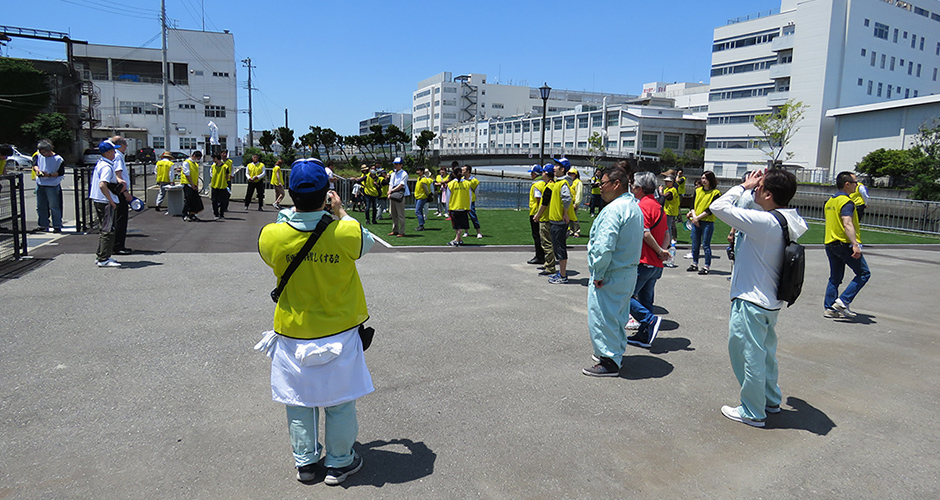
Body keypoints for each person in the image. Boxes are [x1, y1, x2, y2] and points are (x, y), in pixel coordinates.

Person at [257, 158, 374, 485]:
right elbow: (368, 243)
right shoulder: (345, 231)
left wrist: (287, 215)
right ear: (328, 193)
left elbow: (271, 251)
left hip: (293, 333)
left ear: (291, 192)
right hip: (340, 330)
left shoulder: (273, 235)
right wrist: (340, 211)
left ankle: (306, 463)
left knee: (298, 403)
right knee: (339, 402)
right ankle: (339, 463)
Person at [710, 168, 807, 427]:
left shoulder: (764, 223)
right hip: (770, 300)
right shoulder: (787, 219)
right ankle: (770, 399)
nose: (754, 189)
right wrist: (754, 189)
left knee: (746, 354)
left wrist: (743, 186)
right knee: (765, 354)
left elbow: (718, 206)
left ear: (767, 193)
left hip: (751, 299)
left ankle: (752, 411)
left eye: (759, 187)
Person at [583, 163, 644, 377]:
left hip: (611, 272)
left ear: (616, 183)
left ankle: (609, 360)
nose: (600, 186)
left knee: (603, 316)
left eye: (603, 183)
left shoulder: (614, 210)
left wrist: (598, 273)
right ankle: (614, 353)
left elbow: (604, 246)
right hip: (627, 270)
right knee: (618, 315)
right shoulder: (633, 206)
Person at [626, 172, 671, 349]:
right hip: (656, 263)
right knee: (646, 299)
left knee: (625, 296)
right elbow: (666, 233)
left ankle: (649, 321)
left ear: (639, 188)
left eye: (634, 185)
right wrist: (663, 251)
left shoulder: (642, 206)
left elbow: (645, 233)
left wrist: (659, 250)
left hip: (644, 260)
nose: (631, 187)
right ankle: (644, 334)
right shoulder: (658, 206)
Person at [824, 171, 871, 319]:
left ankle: (830, 307)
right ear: (847, 184)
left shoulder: (831, 200)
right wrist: (855, 244)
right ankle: (843, 301)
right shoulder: (847, 202)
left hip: (830, 242)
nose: (857, 185)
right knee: (863, 273)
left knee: (835, 278)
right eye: (855, 182)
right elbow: (847, 223)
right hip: (843, 244)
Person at [89, 141, 121, 267]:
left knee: (104, 228)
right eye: (113, 151)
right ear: (108, 152)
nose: (115, 153)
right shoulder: (107, 167)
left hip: (99, 199)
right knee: (108, 230)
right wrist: (111, 201)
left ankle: (102, 255)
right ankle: (103, 258)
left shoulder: (101, 163)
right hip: (105, 201)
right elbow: (103, 184)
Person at [546, 158, 575, 284]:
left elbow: (567, 198)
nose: (554, 167)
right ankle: (561, 274)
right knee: (558, 248)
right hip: (555, 221)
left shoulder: (563, 183)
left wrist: (565, 213)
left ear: (562, 169)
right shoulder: (558, 183)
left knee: (560, 249)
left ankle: (563, 276)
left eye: (557, 165)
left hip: (559, 222)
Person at [687, 171, 721, 275]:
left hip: (707, 221)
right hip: (696, 219)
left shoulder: (716, 193)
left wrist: (698, 218)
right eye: (702, 178)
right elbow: (692, 205)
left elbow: (711, 209)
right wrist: (695, 217)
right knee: (695, 243)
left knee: (706, 244)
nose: (703, 180)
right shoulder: (697, 191)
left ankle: (706, 266)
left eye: (706, 178)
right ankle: (695, 263)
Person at [32, 139, 64, 233]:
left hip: (53, 184)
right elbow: (35, 164)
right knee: (40, 206)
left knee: (54, 205)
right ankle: (43, 224)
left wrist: (48, 175)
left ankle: (57, 225)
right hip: (40, 183)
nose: (43, 154)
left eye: (44, 152)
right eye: (41, 152)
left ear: (50, 149)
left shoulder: (58, 159)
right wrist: (37, 170)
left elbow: (61, 173)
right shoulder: (38, 156)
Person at [532, 164, 557, 277]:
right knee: (548, 243)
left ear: (546, 174)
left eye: (542, 172)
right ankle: (548, 264)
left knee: (546, 244)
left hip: (546, 219)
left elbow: (544, 203)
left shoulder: (549, 187)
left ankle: (550, 267)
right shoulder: (554, 185)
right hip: (550, 218)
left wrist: (537, 215)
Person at [110, 136, 133, 255]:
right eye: (126, 145)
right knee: (120, 219)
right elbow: (118, 175)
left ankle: (116, 245)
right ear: (121, 145)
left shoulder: (114, 155)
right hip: (119, 192)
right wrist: (125, 192)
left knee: (116, 218)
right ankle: (118, 246)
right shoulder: (118, 156)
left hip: (114, 192)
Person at [446, 165, 471, 246]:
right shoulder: (467, 183)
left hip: (454, 207)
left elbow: (448, 197)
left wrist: (447, 207)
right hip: (463, 207)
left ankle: (456, 240)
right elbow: (470, 196)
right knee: (460, 225)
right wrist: (469, 206)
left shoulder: (451, 184)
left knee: (457, 225)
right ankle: (459, 239)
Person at [526, 165, 545, 265]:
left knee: (536, 235)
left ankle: (539, 256)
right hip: (541, 214)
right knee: (542, 236)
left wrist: (537, 214)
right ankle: (543, 255)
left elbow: (538, 200)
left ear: (535, 174)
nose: (531, 175)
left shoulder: (536, 185)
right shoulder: (543, 183)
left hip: (535, 213)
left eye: (532, 173)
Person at [387, 156, 409, 237]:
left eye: (397, 164)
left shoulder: (404, 174)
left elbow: (401, 185)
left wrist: (391, 191)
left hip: (400, 193)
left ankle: (402, 231)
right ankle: (395, 229)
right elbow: (391, 184)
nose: (395, 165)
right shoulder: (393, 174)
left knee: (400, 214)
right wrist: (389, 192)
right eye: (394, 164)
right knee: (393, 213)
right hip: (393, 193)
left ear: (401, 165)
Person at [180, 151, 204, 222]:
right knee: (188, 199)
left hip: (193, 184)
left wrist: (196, 185)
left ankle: (192, 214)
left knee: (194, 200)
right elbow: (187, 174)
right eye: (197, 158)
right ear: (194, 156)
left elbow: (196, 175)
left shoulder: (195, 164)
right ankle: (184, 214)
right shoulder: (186, 162)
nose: (197, 159)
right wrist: (192, 185)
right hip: (187, 184)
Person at [462, 165, 483, 239]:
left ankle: (478, 232)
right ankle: (466, 231)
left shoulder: (474, 180)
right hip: (463, 201)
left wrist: (473, 198)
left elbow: (476, 191)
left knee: (473, 216)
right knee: (464, 217)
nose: (462, 171)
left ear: (468, 171)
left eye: (464, 170)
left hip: (470, 201)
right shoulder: (461, 179)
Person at [210, 153, 232, 220]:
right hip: (214, 186)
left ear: (216, 158)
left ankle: (222, 214)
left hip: (223, 186)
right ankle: (216, 214)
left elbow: (227, 176)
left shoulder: (225, 167)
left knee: (223, 201)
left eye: (213, 158)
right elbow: (211, 174)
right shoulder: (213, 166)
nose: (213, 160)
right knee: (214, 201)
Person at [413, 166, 433, 231]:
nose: (417, 172)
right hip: (418, 196)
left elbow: (426, 189)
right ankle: (421, 224)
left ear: (422, 172)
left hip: (421, 197)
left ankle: (421, 225)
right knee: (420, 211)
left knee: (417, 211)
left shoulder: (423, 179)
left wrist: (428, 195)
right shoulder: (419, 178)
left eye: (419, 170)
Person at [568, 167, 583, 237]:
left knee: (574, 218)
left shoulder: (578, 182)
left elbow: (579, 193)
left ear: (575, 174)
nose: (570, 175)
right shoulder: (570, 182)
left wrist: (576, 203)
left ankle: (577, 231)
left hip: (574, 202)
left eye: (572, 174)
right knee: (569, 217)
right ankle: (571, 230)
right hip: (568, 202)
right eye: (569, 173)